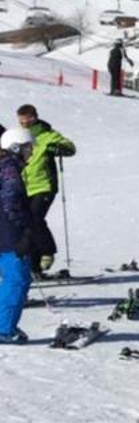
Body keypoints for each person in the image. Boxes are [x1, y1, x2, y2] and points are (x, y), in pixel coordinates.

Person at [15, 105, 75, 275]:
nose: (23, 122)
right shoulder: (20, 136)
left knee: (34, 218)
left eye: (26, 118)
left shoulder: (48, 135)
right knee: (26, 225)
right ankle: (34, 267)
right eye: (20, 119)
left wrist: (58, 148)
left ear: (34, 117)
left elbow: (70, 147)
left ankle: (47, 251)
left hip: (44, 185)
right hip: (23, 187)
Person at [0, 128, 34, 341]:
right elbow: (11, 202)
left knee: (10, 279)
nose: (31, 152)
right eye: (28, 148)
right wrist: (25, 230)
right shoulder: (10, 168)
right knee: (17, 280)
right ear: (16, 148)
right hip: (9, 232)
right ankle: (4, 329)